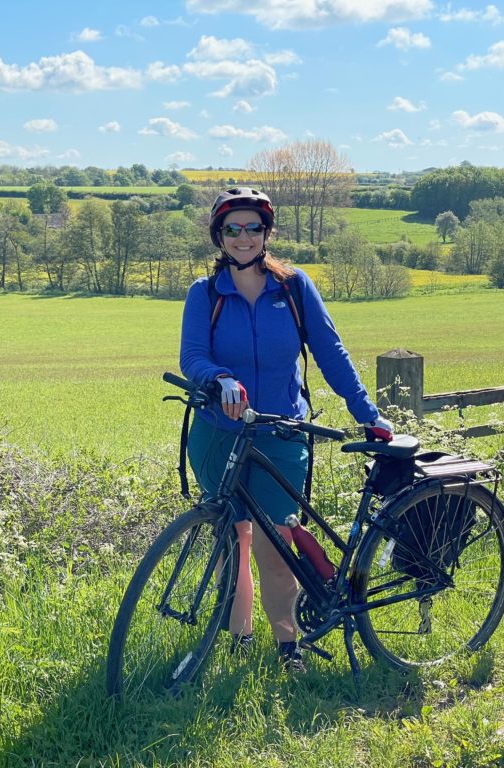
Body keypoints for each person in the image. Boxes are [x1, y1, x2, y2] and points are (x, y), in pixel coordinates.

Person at [179, 187, 393, 673]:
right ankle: (238, 642)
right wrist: (220, 379)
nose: (243, 237)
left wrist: (367, 413)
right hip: (219, 433)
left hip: (280, 432)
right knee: (232, 542)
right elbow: (192, 355)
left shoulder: (293, 288)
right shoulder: (205, 293)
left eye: (253, 227)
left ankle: (287, 647)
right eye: (233, 229)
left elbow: (330, 352)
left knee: (278, 544)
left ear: (266, 233)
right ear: (219, 236)